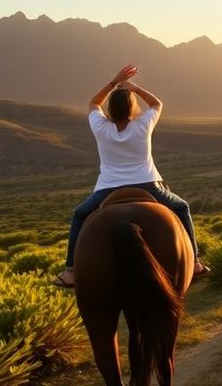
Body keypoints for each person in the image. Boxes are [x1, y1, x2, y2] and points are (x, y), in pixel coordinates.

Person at [54, 65, 208, 287]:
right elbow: (156, 104)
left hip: (108, 188)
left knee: (79, 216)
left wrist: (113, 82)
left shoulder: (101, 128)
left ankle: (70, 271)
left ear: (110, 109)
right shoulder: (142, 125)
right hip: (148, 185)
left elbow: (93, 103)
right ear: (132, 107)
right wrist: (134, 88)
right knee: (181, 207)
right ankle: (195, 264)